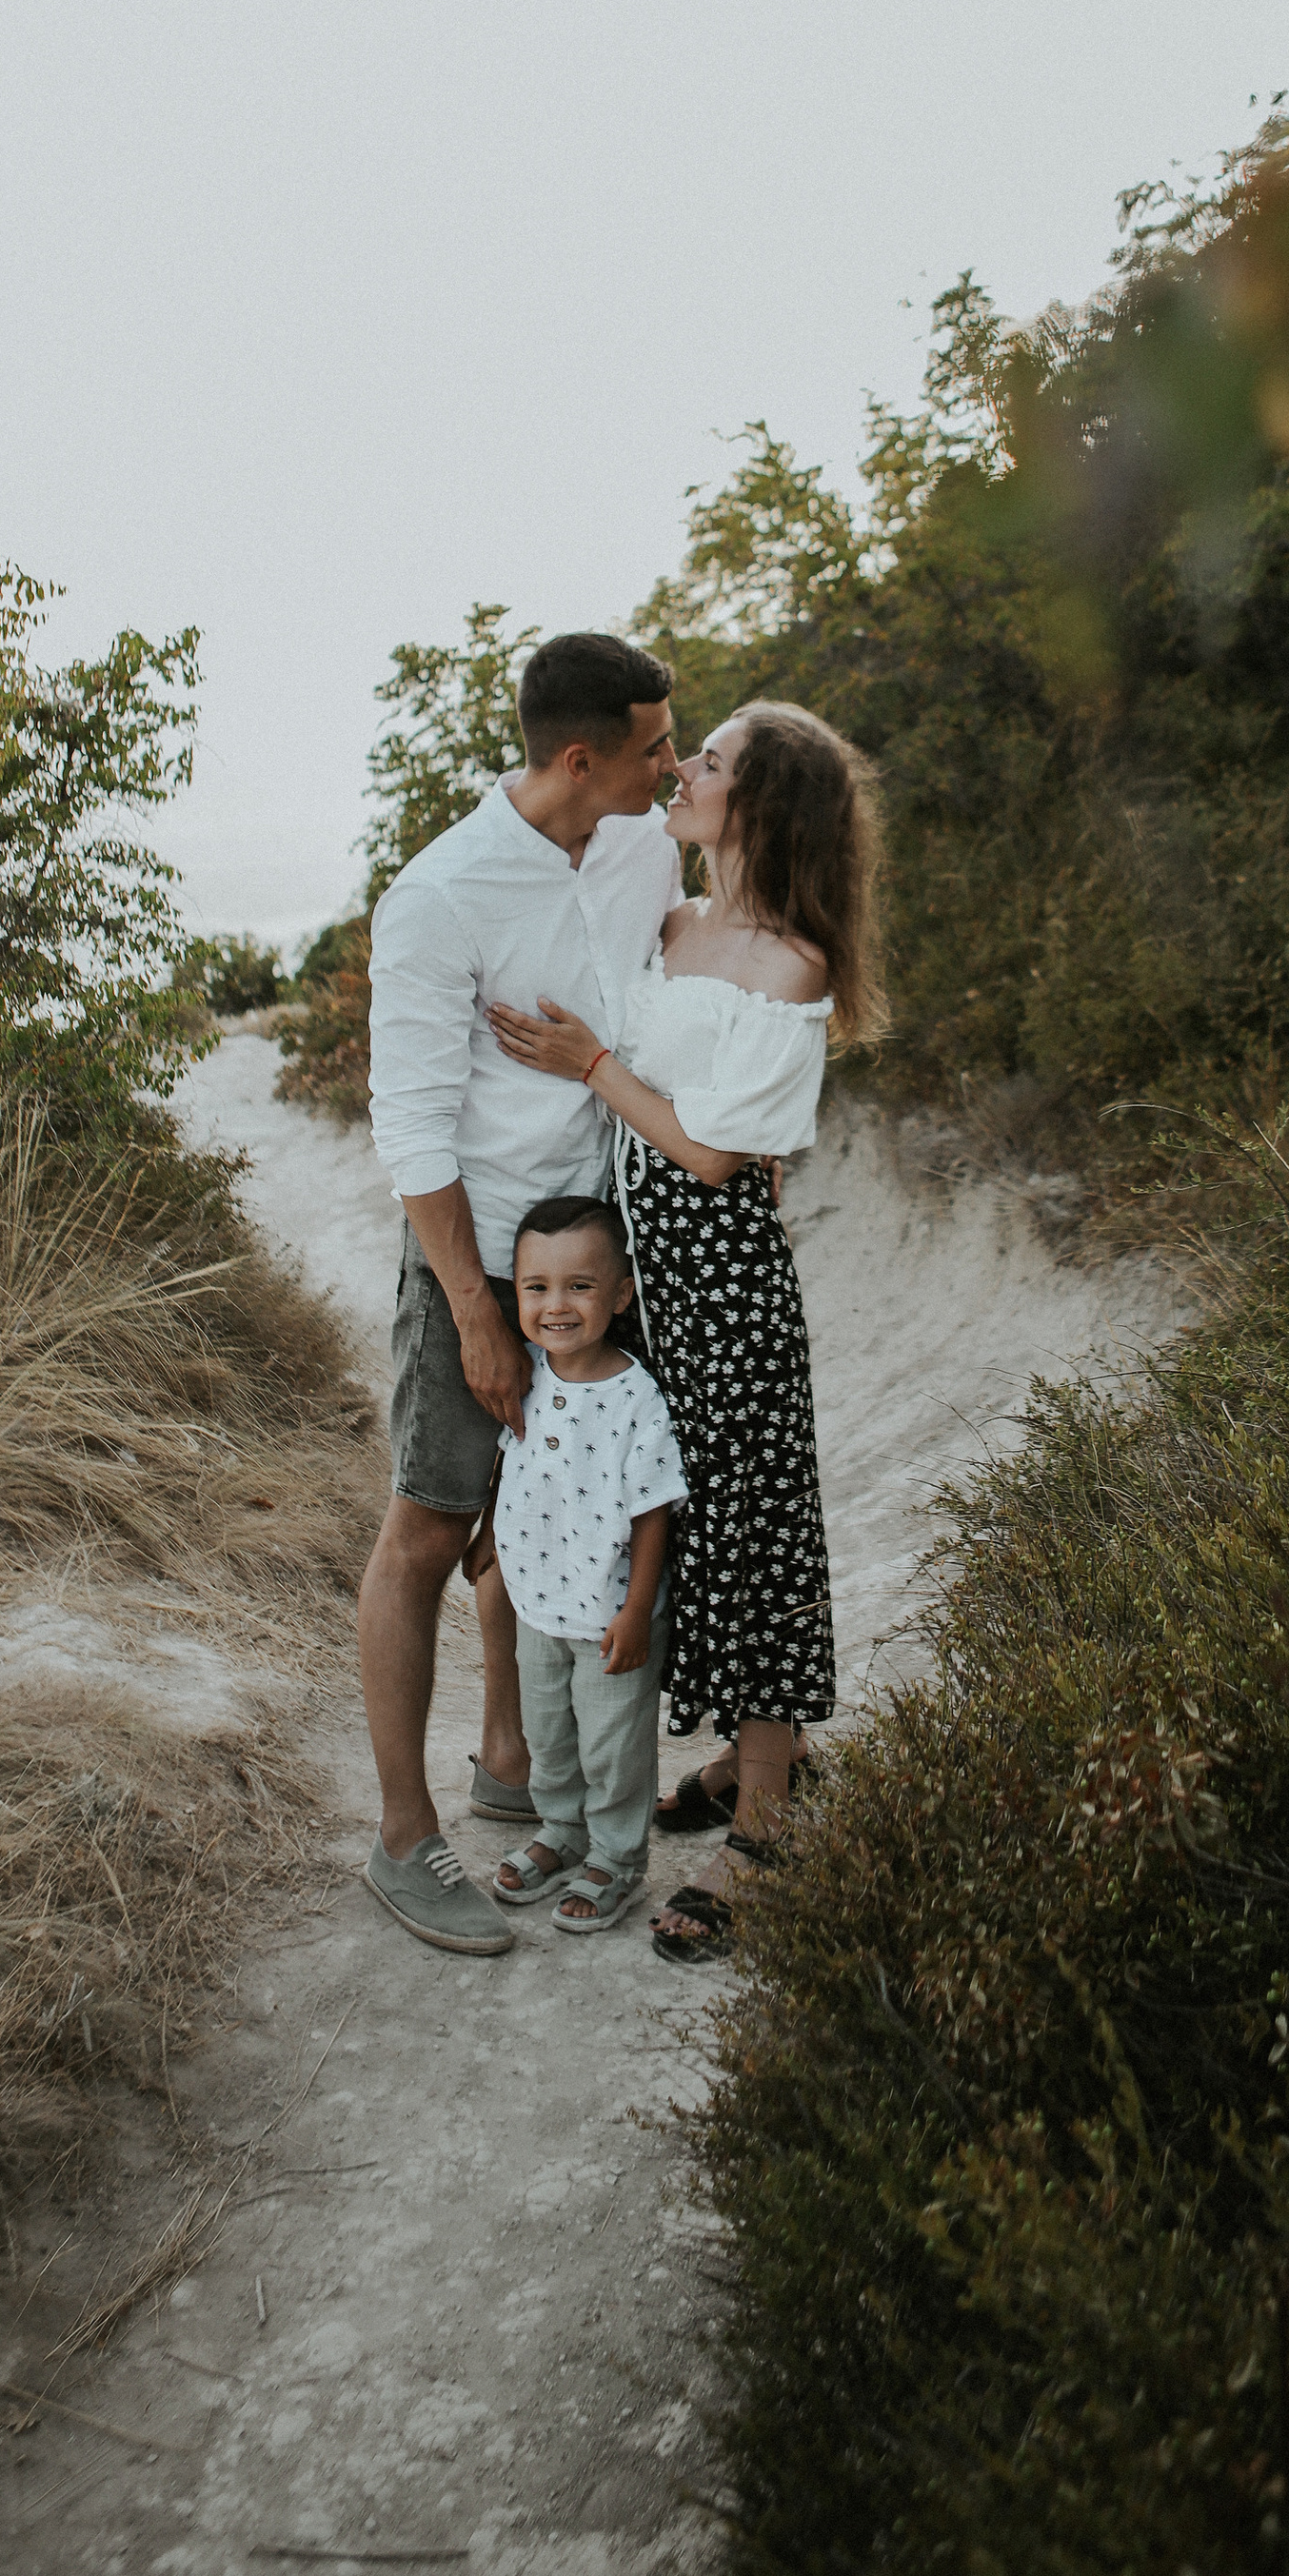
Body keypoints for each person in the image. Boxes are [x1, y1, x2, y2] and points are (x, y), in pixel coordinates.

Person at [486, 700, 883, 1963]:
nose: (686, 772)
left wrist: (594, 1063)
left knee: (756, 1533)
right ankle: (761, 1758)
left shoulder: (792, 963)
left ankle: (758, 1841)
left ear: (758, 806)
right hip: (648, 1289)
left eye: (708, 762)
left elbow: (716, 1154)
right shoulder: (674, 923)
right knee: (688, 1524)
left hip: (727, 1292)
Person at [359, 630, 680, 1956]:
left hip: (600, 1249)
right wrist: (478, 1315)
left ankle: (513, 1759)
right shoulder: (439, 897)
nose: (673, 764)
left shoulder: (642, 843)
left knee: (561, 1512)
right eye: (656, 745)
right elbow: (414, 1134)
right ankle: (400, 1838)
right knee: (432, 1532)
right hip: (475, 1256)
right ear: (580, 756)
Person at [480, 1195, 689, 1933]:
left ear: (621, 1293)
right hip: (539, 1602)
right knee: (551, 1734)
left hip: (610, 1612)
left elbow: (653, 1507)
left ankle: (616, 1858)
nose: (556, 1306)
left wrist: (638, 1609)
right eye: (537, 1288)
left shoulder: (636, 1397)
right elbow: (513, 1471)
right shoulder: (528, 1374)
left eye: (580, 1286)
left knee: (614, 1746)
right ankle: (561, 1831)